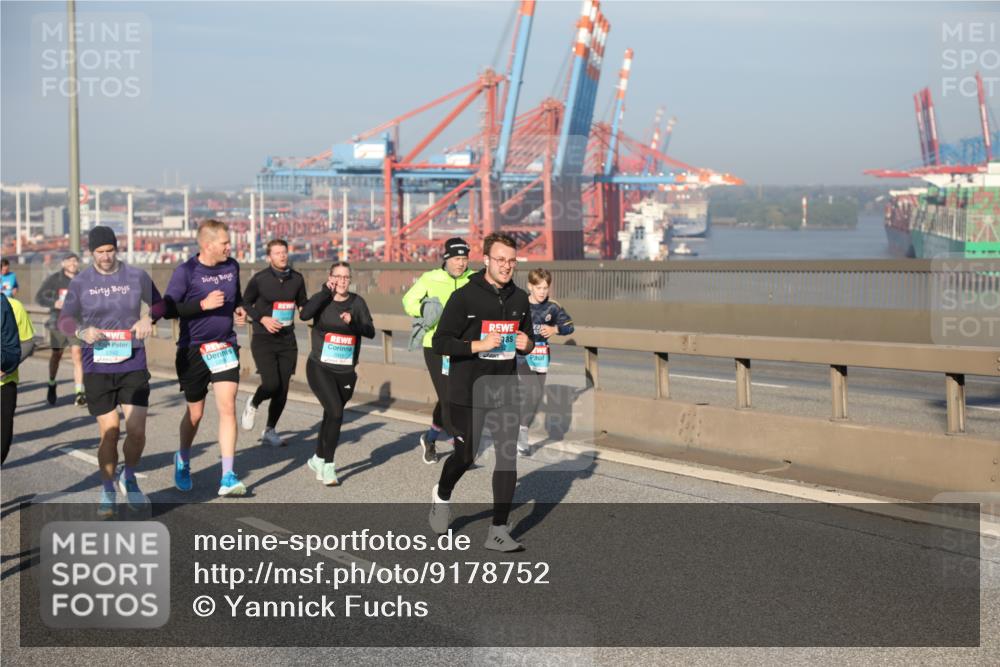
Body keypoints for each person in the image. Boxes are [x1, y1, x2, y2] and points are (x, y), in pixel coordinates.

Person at [429, 233, 533, 552]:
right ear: (486, 260)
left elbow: (527, 337)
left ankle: (498, 530)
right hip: (468, 390)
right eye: (500, 260)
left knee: (506, 458)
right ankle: (441, 496)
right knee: (466, 454)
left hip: (504, 389)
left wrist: (527, 344)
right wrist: (477, 345)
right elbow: (440, 342)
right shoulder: (464, 297)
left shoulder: (519, 298)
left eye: (512, 261)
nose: (506, 266)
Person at [58, 226, 164, 516]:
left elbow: (160, 303)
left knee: (137, 431)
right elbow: (64, 321)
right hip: (98, 366)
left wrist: (148, 319)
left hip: (133, 361)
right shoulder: (81, 282)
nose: (105, 257)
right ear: (91, 252)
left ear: (117, 249)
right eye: (99, 252)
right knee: (110, 431)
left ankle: (128, 477)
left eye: (110, 250)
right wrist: (82, 331)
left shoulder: (136, 276)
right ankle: (107, 488)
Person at [164, 219, 248, 497]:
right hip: (193, 350)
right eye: (224, 243)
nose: (229, 247)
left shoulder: (231, 266)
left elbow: (237, 298)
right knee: (196, 413)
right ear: (207, 245)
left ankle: (227, 475)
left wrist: (239, 310)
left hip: (224, 346)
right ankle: (184, 458)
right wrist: (202, 305)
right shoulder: (186, 272)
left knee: (228, 407)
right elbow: (168, 309)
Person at [300, 262, 375, 486]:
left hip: (346, 371)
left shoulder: (357, 302)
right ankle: (329, 467)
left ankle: (318, 458)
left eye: (346, 277)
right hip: (320, 367)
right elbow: (304, 314)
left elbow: (370, 331)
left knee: (331, 415)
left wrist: (354, 324)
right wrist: (325, 291)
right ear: (330, 277)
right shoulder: (322, 299)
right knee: (335, 412)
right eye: (337, 277)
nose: (342, 281)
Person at [402, 237, 474, 464]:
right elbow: (408, 301)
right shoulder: (430, 278)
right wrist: (425, 309)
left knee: (453, 396)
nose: (461, 263)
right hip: (436, 347)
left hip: (464, 347)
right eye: (456, 259)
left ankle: (430, 438)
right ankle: (460, 445)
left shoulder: (474, 279)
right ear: (446, 259)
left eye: (464, 259)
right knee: (449, 398)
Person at [240, 239, 307, 447]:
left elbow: (303, 305)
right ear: (269, 257)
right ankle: (253, 402)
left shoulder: (297, 279)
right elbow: (245, 302)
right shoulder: (260, 279)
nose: (282, 256)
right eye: (277, 253)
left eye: (284, 252)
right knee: (271, 384)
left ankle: (270, 429)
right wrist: (262, 319)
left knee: (283, 389)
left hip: (287, 339)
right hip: (263, 338)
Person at [517, 268, 574, 455]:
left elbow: (569, 326)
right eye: (538, 287)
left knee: (535, 395)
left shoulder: (553, 307)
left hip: (541, 356)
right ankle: (518, 433)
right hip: (521, 356)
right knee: (530, 389)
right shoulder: (519, 304)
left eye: (545, 288)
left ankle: (521, 430)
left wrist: (554, 329)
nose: (542, 292)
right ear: (529, 286)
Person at [36, 252, 86, 407]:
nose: (73, 263)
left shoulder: (84, 279)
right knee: (56, 355)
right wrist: (54, 302)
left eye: (75, 260)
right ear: (63, 263)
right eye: (69, 261)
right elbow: (40, 297)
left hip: (76, 323)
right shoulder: (54, 279)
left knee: (77, 355)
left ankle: (79, 392)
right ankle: (52, 382)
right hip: (58, 323)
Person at [1, 294, 35, 465]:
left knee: (3, 443)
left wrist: (6, 368)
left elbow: (27, 343)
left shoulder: (13, 306)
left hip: (5, 383)